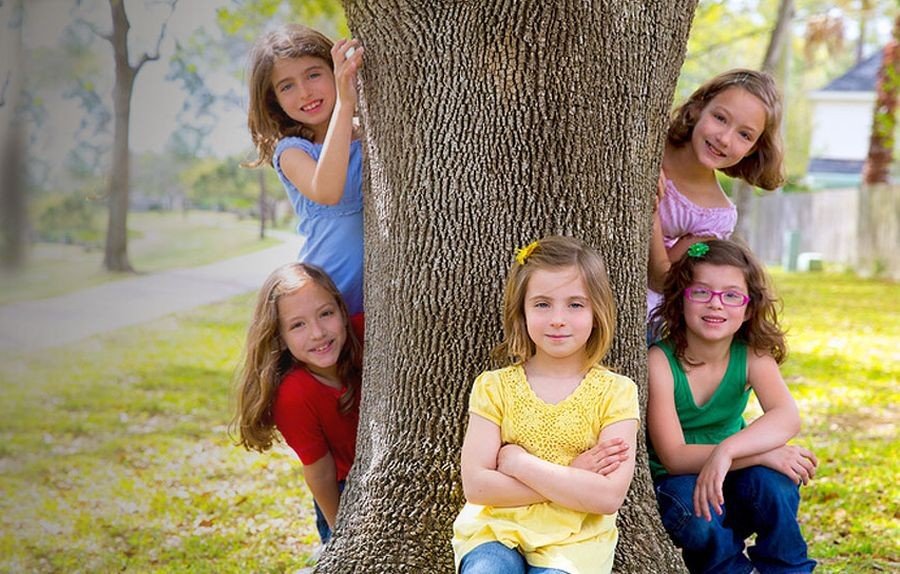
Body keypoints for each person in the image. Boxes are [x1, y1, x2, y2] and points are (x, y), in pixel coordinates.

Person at [452, 236, 639, 574]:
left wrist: (519, 463)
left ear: (597, 312)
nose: (557, 318)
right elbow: (477, 486)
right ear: (521, 311)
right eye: (542, 304)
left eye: (575, 305)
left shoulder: (616, 392)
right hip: (495, 531)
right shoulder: (495, 387)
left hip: (576, 541)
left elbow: (607, 497)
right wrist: (574, 477)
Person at [647, 239, 817, 574]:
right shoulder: (660, 362)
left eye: (731, 295)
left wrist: (728, 452)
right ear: (681, 299)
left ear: (749, 307)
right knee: (698, 514)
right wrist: (757, 453)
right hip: (679, 483)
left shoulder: (751, 354)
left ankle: (789, 568)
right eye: (701, 292)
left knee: (775, 484)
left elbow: (786, 416)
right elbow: (674, 456)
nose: (716, 305)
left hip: (734, 478)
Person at [232, 262, 363, 545]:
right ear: (280, 337)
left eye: (326, 314)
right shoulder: (293, 395)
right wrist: (342, 537)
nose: (317, 333)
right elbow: (320, 473)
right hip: (341, 493)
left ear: (341, 310)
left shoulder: (366, 335)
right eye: (298, 325)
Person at [648, 69, 785, 326]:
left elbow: (661, 278)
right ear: (698, 108)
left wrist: (649, 210)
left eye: (744, 135)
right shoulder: (651, 141)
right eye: (720, 118)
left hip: (641, 312)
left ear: (753, 148)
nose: (724, 139)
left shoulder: (714, 217)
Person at [246, 24, 366, 315]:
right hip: (328, 301)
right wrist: (346, 103)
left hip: (377, 298)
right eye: (287, 86)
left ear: (334, 70)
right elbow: (327, 190)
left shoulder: (366, 135)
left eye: (313, 74)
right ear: (274, 99)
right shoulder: (292, 151)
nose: (305, 92)